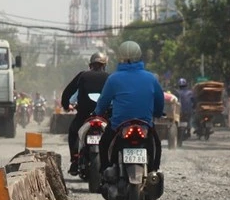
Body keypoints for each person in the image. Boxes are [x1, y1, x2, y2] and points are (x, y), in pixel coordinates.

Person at [94, 41, 164, 174]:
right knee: (157, 144)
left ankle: (105, 172)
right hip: (145, 124)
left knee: (103, 143)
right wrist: (158, 113)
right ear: (139, 55)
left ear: (120, 56)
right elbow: (160, 102)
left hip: (118, 125)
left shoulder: (113, 79)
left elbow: (103, 101)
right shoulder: (151, 78)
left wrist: (98, 112)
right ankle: (154, 171)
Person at [61, 52, 110, 175]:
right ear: (104, 65)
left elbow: (67, 92)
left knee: (73, 132)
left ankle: (74, 160)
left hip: (84, 114)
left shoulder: (82, 75)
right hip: (104, 115)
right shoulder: (110, 77)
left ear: (90, 65)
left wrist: (66, 106)